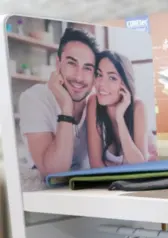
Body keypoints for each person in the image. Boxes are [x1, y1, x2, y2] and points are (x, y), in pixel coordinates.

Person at [18, 27, 99, 177]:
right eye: (72, 63)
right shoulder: (34, 98)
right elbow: (54, 172)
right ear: (58, 63)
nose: (79, 77)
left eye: (87, 68)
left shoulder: (96, 103)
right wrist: (66, 108)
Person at [87, 51, 147, 167]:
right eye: (99, 75)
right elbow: (95, 164)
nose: (101, 84)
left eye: (112, 78)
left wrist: (120, 118)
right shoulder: (93, 102)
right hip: (107, 179)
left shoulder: (137, 107)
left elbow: (141, 166)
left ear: (125, 83)